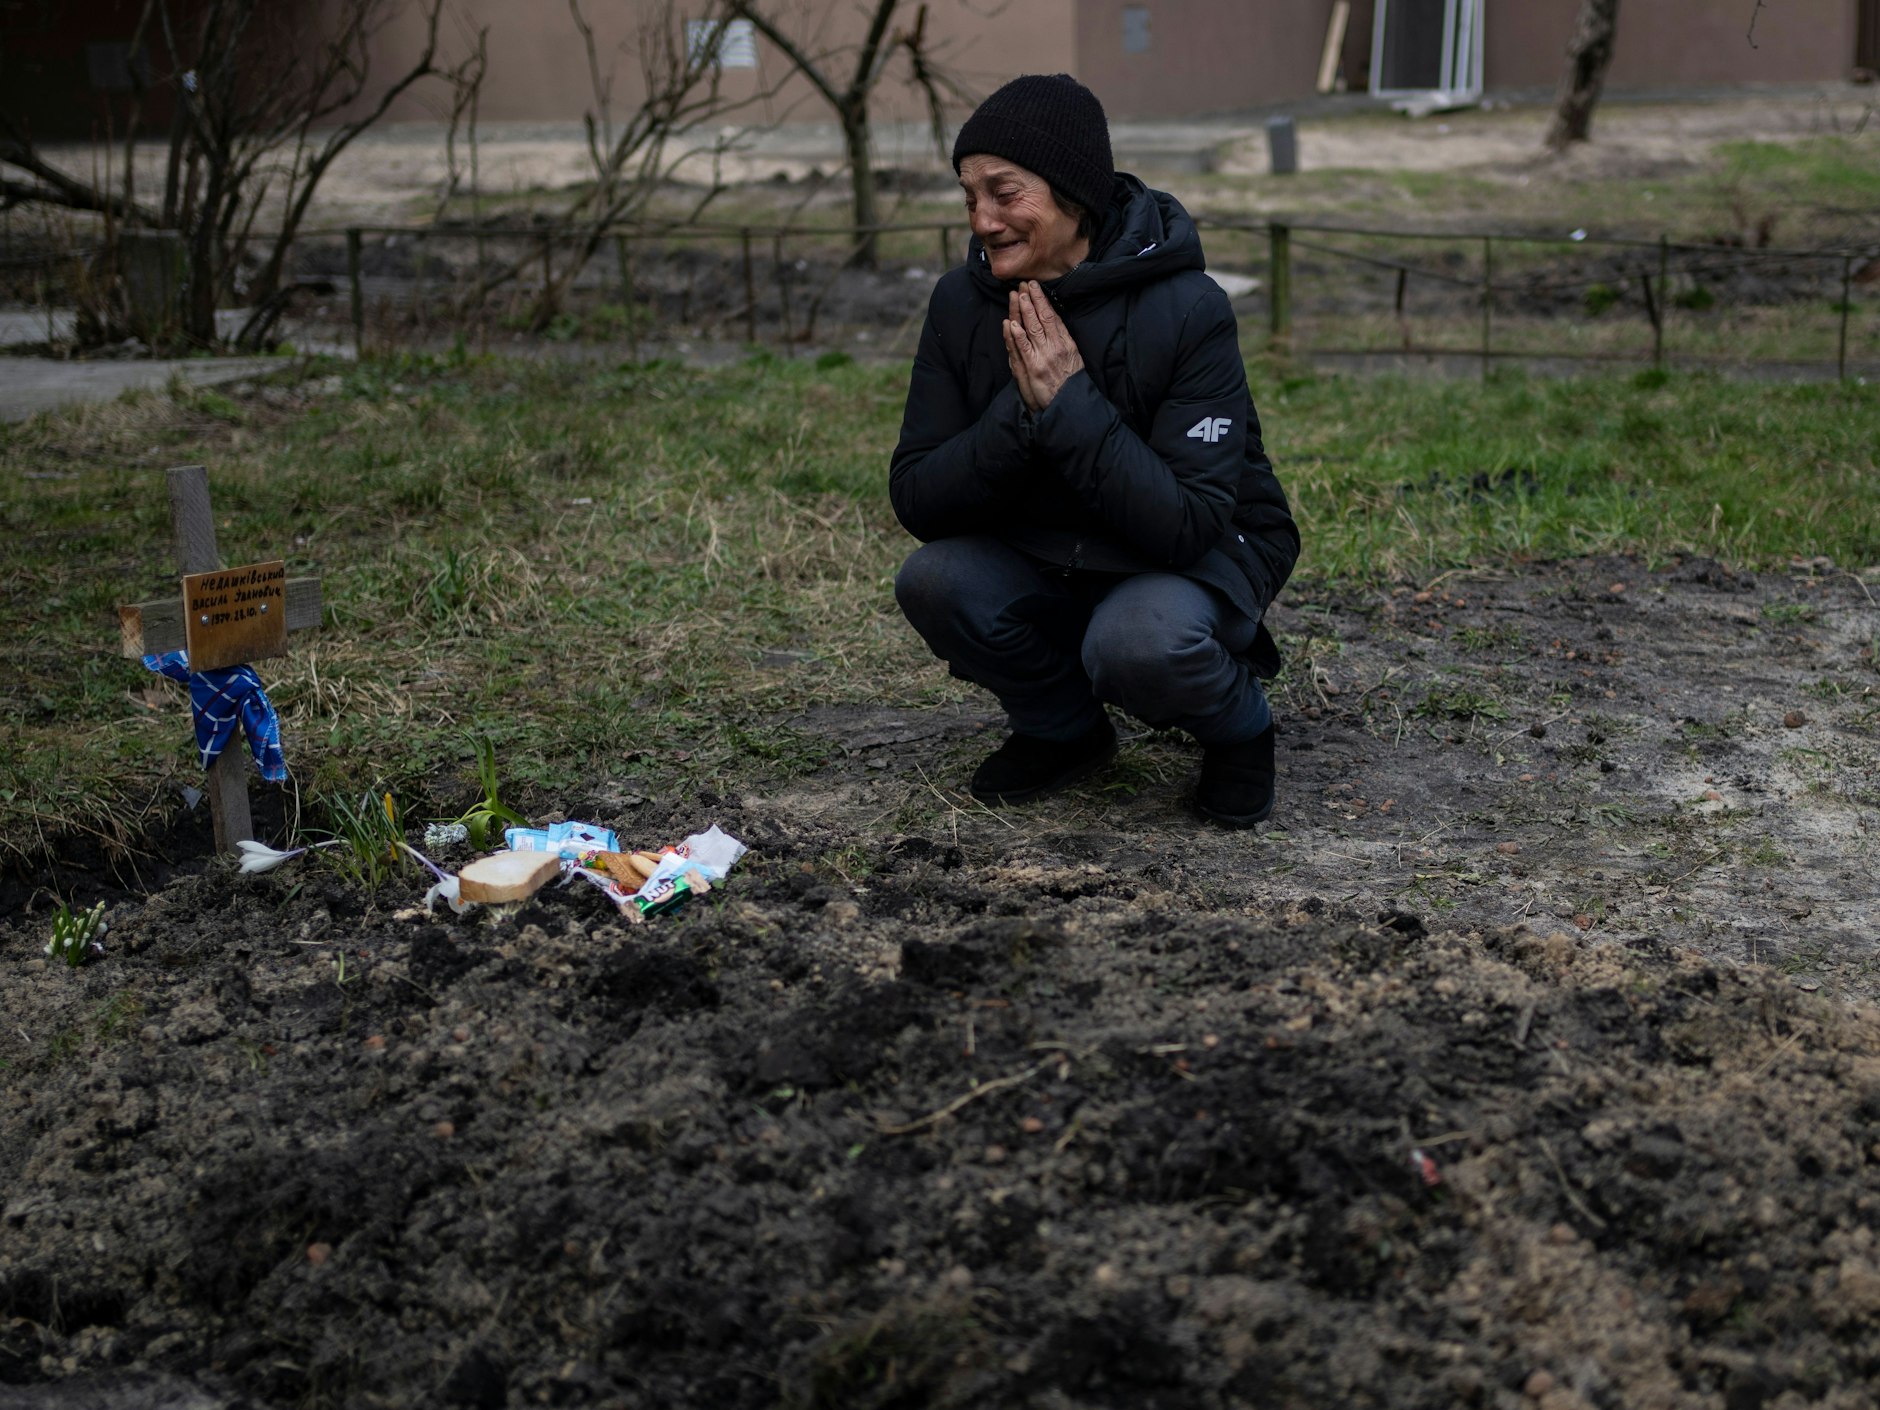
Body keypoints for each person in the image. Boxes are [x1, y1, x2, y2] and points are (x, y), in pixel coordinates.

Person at [889, 73, 1300, 826]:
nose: (982, 219)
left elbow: (1189, 524)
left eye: (1004, 193)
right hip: (1048, 548)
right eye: (968, 195)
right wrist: (1025, 414)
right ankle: (1064, 728)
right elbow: (917, 494)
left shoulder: (1187, 308)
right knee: (935, 579)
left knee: (1137, 641)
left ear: (1074, 194)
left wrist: (1070, 404)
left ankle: (1241, 728)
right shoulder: (960, 303)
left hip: (1190, 557)